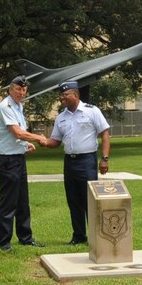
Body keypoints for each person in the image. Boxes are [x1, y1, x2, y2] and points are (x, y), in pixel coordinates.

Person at [41, 80, 111, 245]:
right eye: (61, 95)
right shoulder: (61, 117)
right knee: (73, 201)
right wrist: (42, 141)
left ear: (76, 95)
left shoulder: (91, 111)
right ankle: (79, 236)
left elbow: (105, 134)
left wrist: (105, 158)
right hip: (69, 162)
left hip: (87, 160)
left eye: (65, 95)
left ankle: (95, 237)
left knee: (90, 200)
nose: (62, 98)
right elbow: (55, 141)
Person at [0, 75, 49, 251]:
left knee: (23, 201)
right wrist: (38, 137)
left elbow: (18, 135)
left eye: (24, 90)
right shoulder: (6, 106)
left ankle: (25, 237)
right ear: (10, 90)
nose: (21, 93)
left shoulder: (18, 106)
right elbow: (17, 132)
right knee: (9, 202)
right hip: (7, 160)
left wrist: (26, 144)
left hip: (17, 158)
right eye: (18, 89)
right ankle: (2, 242)